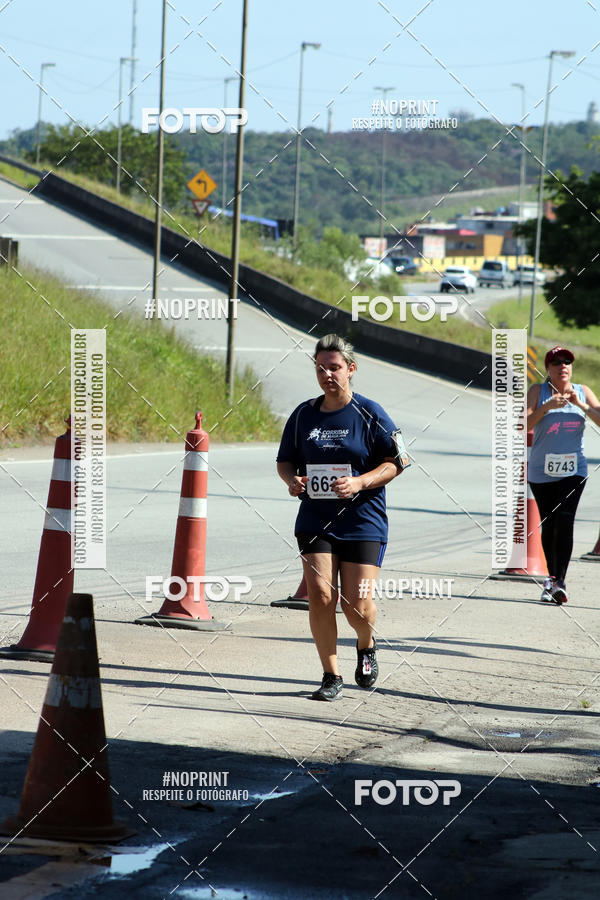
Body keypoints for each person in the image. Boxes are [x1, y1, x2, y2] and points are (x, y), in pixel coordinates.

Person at [276, 334, 408, 700]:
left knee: (357, 605)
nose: (327, 374)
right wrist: (293, 481)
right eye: (321, 368)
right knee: (320, 595)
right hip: (315, 518)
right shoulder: (304, 414)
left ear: (351, 369)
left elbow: (399, 461)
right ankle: (330, 675)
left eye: (335, 367)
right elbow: (285, 460)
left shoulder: (370, 412)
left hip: (364, 520)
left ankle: (366, 644)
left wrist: (360, 482)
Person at [526, 346, 600, 604]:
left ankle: (559, 581)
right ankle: (552, 577)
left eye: (567, 362)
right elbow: (521, 424)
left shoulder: (583, 391)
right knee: (550, 522)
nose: (563, 366)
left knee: (565, 521)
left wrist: (580, 405)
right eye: (556, 362)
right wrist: (546, 407)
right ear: (548, 369)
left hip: (574, 470)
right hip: (541, 471)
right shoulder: (538, 391)